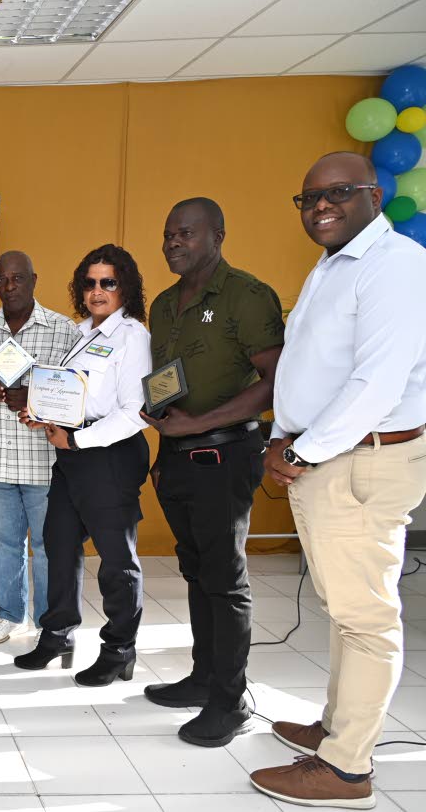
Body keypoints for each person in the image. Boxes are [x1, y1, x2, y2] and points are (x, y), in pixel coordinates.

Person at [249, 152, 426, 809]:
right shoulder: (336, 265)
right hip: (325, 456)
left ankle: (347, 769)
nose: (320, 206)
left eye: (338, 193)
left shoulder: (396, 266)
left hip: (358, 460)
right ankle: (336, 728)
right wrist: (283, 437)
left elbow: (375, 384)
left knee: (366, 616)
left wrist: (304, 449)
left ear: (373, 195)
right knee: (345, 609)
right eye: (308, 198)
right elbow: (312, 366)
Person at [140, 197, 284, 747]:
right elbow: (169, 379)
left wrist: (199, 421)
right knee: (196, 571)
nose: (173, 243)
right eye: (168, 235)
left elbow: (276, 381)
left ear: (217, 235)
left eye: (186, 233)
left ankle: (231, 701)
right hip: (178, 456)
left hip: (225, 454)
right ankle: (203, 678)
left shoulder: (246, 296)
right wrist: (163, 430)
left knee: (225, 579)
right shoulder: (164, 304)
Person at [13, 245, 152, 686]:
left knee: (116, 560)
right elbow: (73, 395)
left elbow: (135, 412)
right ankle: (57, 635)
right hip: (72, 453)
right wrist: (44, 414)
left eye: (107, 282)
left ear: (124, 286)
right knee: (59, 543)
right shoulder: (82, 332)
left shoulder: (133, 336)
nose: (97, 291)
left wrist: (77, 439)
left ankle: (119, 650)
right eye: (90, 282)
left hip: (109, 455)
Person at [0, 251, 79, 644]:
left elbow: (77, 394)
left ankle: (48, 621)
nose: (10, 286)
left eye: (18, 278)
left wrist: (34, 398)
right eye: (2, 279)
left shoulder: (63, 330)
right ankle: (8, 615)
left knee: (49, 546)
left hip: (45, 460)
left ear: (34, 279)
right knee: (3, 543)